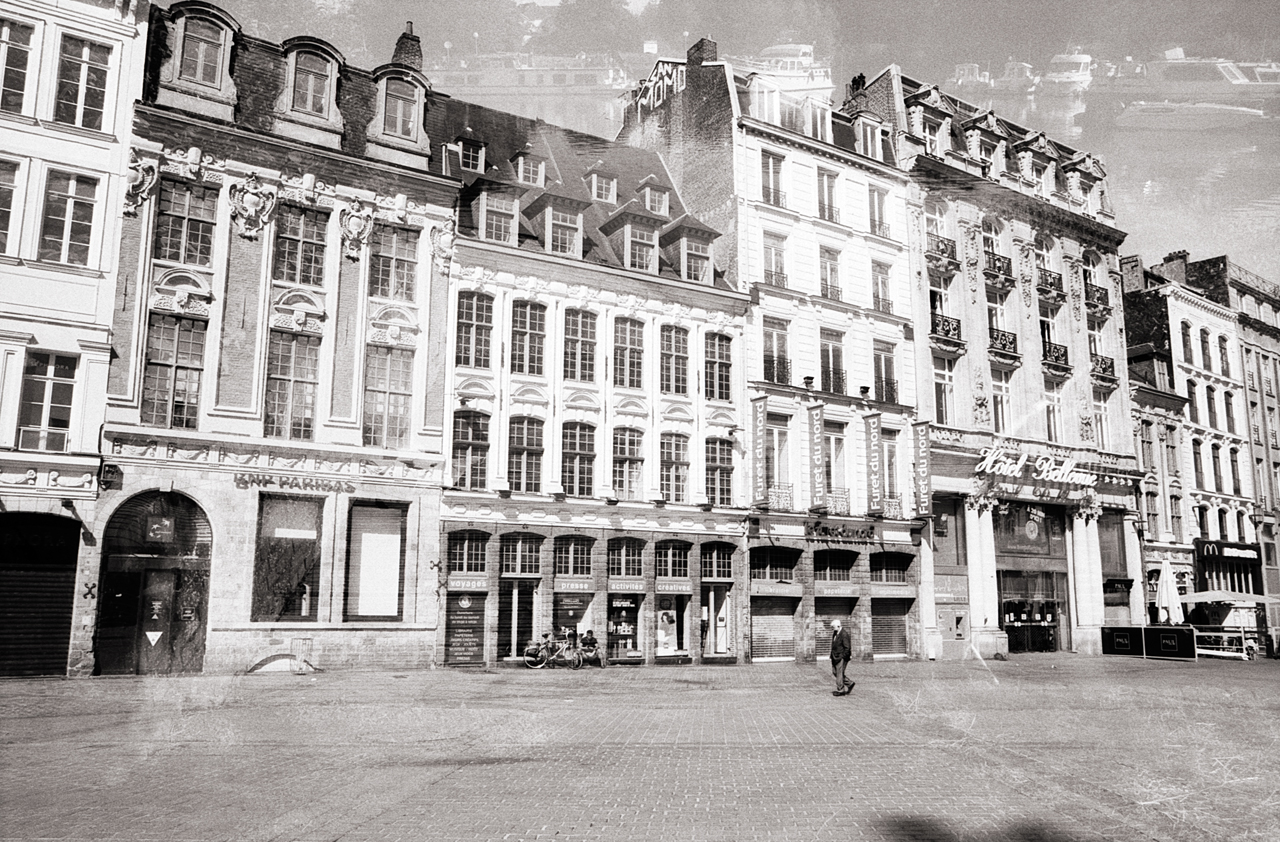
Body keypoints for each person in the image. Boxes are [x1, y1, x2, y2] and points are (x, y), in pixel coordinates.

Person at [830, 619, 854, 696]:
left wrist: (842, 657)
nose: (832, 628)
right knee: (835, 672)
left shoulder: (844, 634)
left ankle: (841, 690)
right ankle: (849, 683)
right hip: (835, 657)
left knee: (839, 673)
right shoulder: (836, 632)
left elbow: (847, 648)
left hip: (841, 657)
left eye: (833, 627)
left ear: (838, 626)